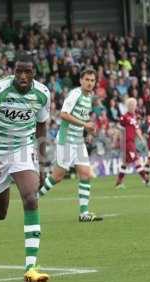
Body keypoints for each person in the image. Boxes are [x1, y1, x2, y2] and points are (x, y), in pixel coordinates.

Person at [0, 54, 50, 282]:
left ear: (34, 73)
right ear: (14, 71)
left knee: (31, 198)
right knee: (0, 213)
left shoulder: (42, 94)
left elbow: (42, 124)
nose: (23, 76)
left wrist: (42, 163)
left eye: (28, 72)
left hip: (23, 150)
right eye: (19, 72)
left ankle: (31, 267)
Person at [39, 68, 103, 222]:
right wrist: (85, 125)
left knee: (85, 174)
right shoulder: (75, 94)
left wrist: (86, 132)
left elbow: (81, 118)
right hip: (66, 141)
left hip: (78, 142)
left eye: (92, 80)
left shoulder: (89, 97)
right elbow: (63, 114)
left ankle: (84, 213)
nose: (89, 83)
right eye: (86, 79)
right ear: (81, 80)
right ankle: (33, 199)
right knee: (57, 177)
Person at [115, 98, 150, 188]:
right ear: (128, 106)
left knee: (125, 163)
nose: (133, 107)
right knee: (137, 160)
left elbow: (137, 129)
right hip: (127, 142)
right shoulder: (124, 117)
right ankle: (147, 180)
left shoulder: (134, 117)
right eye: (131, 105)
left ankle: (118, 183)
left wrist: (142, 138)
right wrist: (117, 140)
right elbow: (118, 128)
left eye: (134, 105)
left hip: (132, 141)